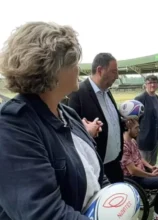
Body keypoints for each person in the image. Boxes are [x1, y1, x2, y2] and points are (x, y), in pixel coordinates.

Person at [0, 21, 109, 220]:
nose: (78, 69)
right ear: (52, 69)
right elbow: (43, 214)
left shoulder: (67, 113)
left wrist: (114, 197)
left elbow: (95, 174)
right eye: (73, 62)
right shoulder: (12, 127)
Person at [68, 53, 125, 183]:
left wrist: (124, 123)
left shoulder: (107, 91)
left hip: (114, 164)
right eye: (113, 72)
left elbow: (110, 122)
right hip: (96, 170)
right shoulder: (78, 93)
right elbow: (71, 132)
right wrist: (87, 131)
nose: (116, 76)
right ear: (100, 70)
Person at [121, 118, 158, 220]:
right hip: (134, 179)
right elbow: (132, 170)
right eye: (136, 128)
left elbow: (139, 158)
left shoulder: (132, 141)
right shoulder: (124, 146)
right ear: (128, 128)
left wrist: (151, 167)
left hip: (141, 173)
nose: (139, 130)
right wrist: (151, 175)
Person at [134, 75, 158, 165]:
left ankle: (152, 178)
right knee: (144, 164)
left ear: (157, 85)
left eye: (155, 83)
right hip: (145, 137)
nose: (152, 85)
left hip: (156, 137)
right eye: (150, 83)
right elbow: (134, 120)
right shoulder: (140, 99)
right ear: (145, 85)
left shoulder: (157, 98)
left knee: (152, 163)